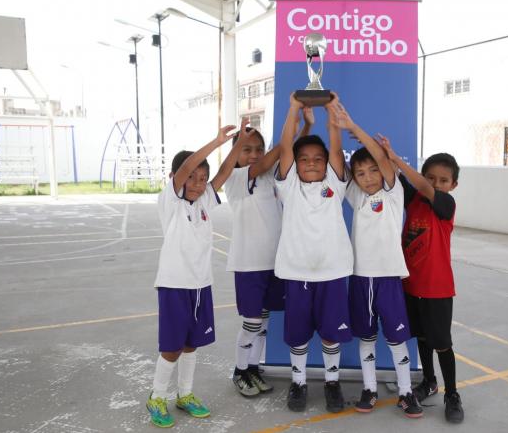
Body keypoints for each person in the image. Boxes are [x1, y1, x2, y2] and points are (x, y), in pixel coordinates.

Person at [146, 121, 247, 428]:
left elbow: (225, 172)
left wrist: (237, 145)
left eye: (202, 178)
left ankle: (185, 394)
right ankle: (157, 397)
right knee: (172, 347)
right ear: (176, 179)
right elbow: (188, 165)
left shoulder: (204, 200)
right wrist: (216, 141)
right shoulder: (171, 201)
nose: (198, 182)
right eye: (192, 177)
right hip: (175, 286)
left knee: (191, 344)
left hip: (201, 285)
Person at [330, 103, 422, 418]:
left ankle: (407, 392)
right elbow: (338, 167)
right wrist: (335, 128)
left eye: (372, 171)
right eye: (360, 173)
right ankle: (369, 388)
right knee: (366, 337)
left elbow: (382, 159)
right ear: (353, 179)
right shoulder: (355, 196)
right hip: (360, 278)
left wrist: (353, 127)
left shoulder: (393, 192)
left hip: (390, 278)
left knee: (397, 339)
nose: (368, 178)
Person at [225, 110, 314, 398]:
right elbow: (276, 155)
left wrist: (307, 126)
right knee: (251, 322)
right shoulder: (237, 179)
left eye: (258, 149)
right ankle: (239, 371)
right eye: (246, 149)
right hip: (249, 264)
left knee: (263, 321)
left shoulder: (269, 179)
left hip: (274, 263)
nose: (254, 155)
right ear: (235, 154)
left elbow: (284, 155)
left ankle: (253, 368)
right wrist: (291, 120)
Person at [274, 93, 353, 413]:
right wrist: (294, 110)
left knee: (332, 335)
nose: (310, 162)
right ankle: (299, 382)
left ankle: (332, 382)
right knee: (298, 335)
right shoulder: (288, 186)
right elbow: (283, 150)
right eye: (304, 158)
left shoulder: (336, 183)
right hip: (296, 273)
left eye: (317, 159)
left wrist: (333, 112)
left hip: (333, 272)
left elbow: (335, 149)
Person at [380, 140, 464, 424]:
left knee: (442, 342)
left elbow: (422, 187)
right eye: (430, 177)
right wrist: (385, 155)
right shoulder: (412, 198)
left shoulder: (446, 204)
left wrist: (398, 159)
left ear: (453, 185)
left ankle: (452, 394)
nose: (436, 184)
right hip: (410, 285)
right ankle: (429, 381)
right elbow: (393, 175)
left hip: (437, 288)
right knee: (422, 337)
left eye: (443, 180)